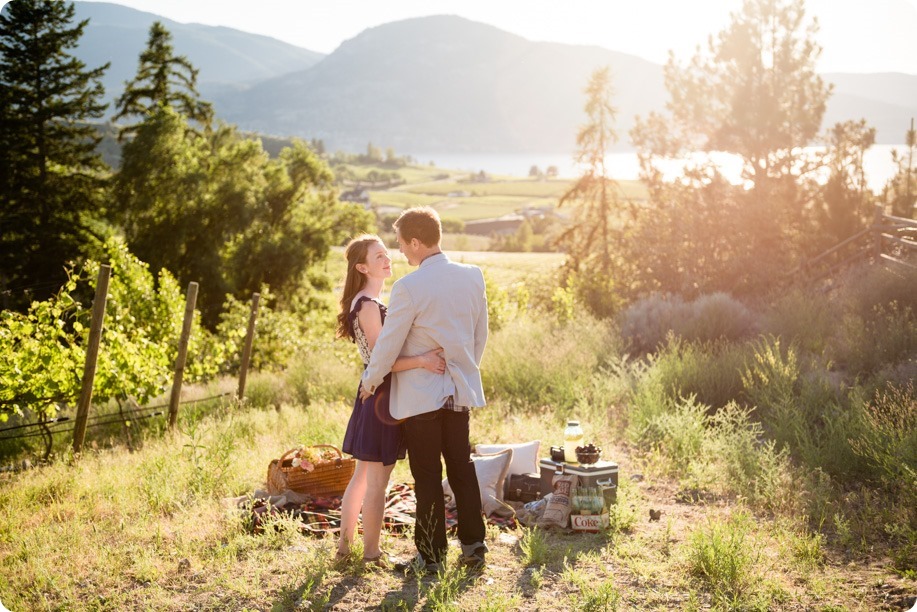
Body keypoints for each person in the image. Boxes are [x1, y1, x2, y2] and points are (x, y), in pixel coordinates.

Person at [361, 207, 489, 572]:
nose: (401, 251)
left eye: (402, 244)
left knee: (428, 476)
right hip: (458, 390)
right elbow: (480, 334)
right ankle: (473, 548)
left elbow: (387, 345)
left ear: (416, 242)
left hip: (421, 397)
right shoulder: (472, 275)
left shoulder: (409, 287)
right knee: (462, 469)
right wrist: (463, 365)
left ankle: (431, 557)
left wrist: (370, 382)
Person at [335, 234, 446, 566]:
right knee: (377, 483)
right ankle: (371, 554)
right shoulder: (368, 306)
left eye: (387, 254)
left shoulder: (366, 302)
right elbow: (381, 361)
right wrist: (424, 360)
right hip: (380, 395)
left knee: (363, 478)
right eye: (379, 256)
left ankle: (344, 549)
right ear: (362, 267)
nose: (387, 260)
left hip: (376, 393)